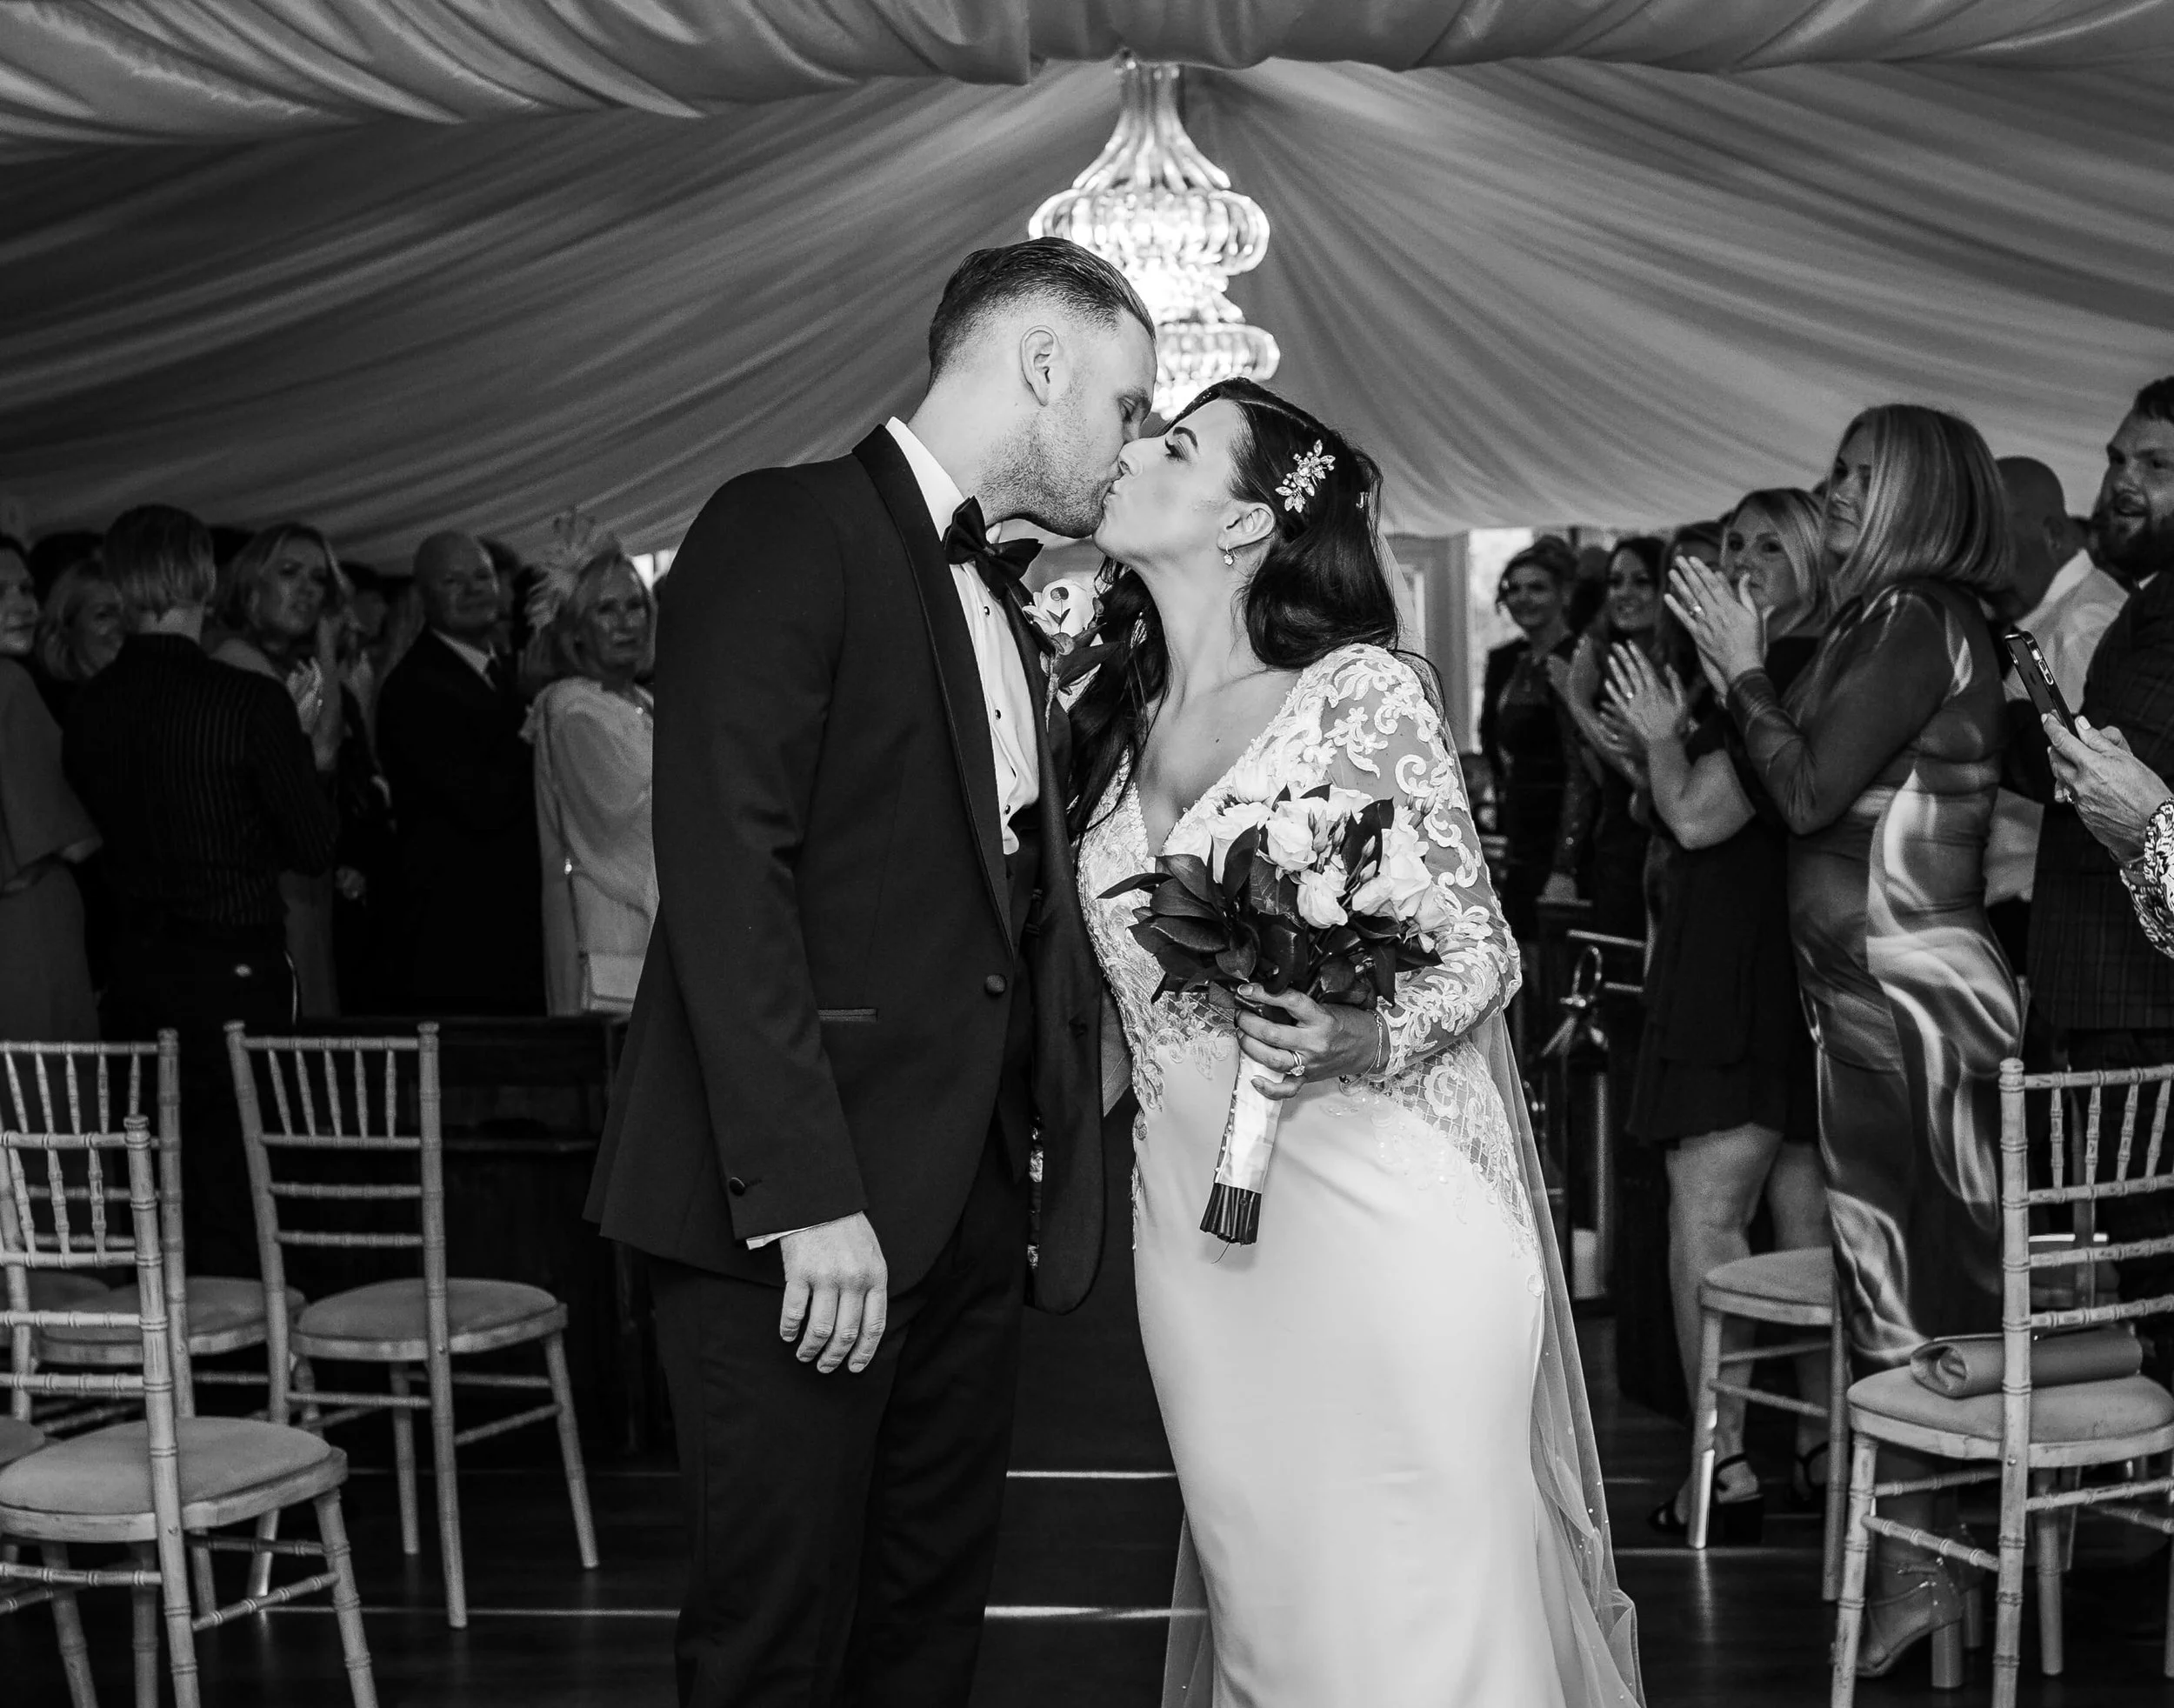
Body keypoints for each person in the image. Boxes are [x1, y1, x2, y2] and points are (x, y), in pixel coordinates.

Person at [586, 237, 1144, 1708]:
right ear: (1041, 364)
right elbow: (725, 871)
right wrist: (806, 1189)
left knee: (924, 1630)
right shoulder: (788, 526)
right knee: (776, 1642)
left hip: (963, 1200)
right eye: (1127, 401)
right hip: (800, 1204)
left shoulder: (1014, 602)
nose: (1132, 441)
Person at [1072, 379, 1641, 1707]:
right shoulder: (1104, 728)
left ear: (1247, 525)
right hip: (1201, 1253)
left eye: (1174, 445)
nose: (1132, 454)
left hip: (1383, 1223)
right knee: (1274, 1610)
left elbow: (1482, 954)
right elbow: (1113, 1005)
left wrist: (1349, 1027)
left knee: (1419, 1619)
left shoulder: (1354, 695)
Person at [1671, 404, 2019, 1677]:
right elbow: (1782, 782)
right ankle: (1929, 1566)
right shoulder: (1887, 622)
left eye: (1859, 481)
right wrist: (1742, 678)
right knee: (1897, 1285)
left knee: (1911, 1288)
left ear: (1924, 498)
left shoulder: (1920, 617)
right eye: (1836, 474)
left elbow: (1808, 790)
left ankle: (1924, 1569)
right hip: (1869, 997)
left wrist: (1748, 672)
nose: (1834, 497)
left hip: (1910, 1000)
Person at [1605, 490, 1831, 1538]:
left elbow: (1694, 816)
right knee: (1803, 1214)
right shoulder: (1778, 670)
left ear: (1816, 557)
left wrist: (1657, 736)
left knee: (1706, 1209)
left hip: (1737, 969)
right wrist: (1652, 739)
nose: (1741, 558)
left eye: (1767, 544)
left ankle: (1723, 1461)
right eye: (1731, 541)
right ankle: (1828, 1449)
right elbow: (1675, 795)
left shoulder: (1778, 673)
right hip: (1789, 964)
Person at [63, 505, 337, 1278]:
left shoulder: (87, 708)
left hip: (135, 975)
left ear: (121, 581)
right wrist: (307, 752)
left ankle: (175, 1373)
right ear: (205, 578)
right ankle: (256, 1370)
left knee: (156, 1185)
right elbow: (313, 846)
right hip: (234, 970)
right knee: (249, 1182)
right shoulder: (246, 701)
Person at [2011, 376, 2174, 1384]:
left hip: (2141, 989)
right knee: (2136, 1262)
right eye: (2118, 459)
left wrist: (1998, 727)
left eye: (2155, 467)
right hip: (2124, 967)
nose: (2119, 482)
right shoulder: (2149, 598)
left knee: (2152, 1256)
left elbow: (2132, 766)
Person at [375, 530, 544, 1016]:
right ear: (424, 597)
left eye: (483, 576)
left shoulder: (509, 671)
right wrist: (530, 713)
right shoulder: (412, 689)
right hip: (462, 938)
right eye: (454, 581)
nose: (474, 590)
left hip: (522, 929)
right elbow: (484, 803)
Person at [1982, 457, 2128, 967]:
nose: (1975, 554)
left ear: (2051, 534)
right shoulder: (2044, 622)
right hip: (2027, 914)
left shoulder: (2088, 622)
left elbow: (2082, 782)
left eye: (1990, 534)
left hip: (2051, 926)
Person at [207, 524, 352, 1017]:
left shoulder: (289, 664)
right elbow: (323, 753)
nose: (308, 589)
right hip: (266, 882)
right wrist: (329, 648)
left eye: (319, 579)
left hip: (299, 880)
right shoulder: (236, 661)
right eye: (290, 573)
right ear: (251, 584)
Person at [522, 520, 658, 1017]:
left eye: (634, 606)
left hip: (653, 925)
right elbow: (620, 826)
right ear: (577, 628)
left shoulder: (638, 699)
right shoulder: (573, 709)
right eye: (606, 610)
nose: (625, 623)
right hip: (613, 929)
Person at [0, 540, 101, 1040]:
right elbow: (75, 841)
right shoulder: (9, 684)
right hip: (26, 933)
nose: (26, 608)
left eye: (25, 589)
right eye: (1, 592)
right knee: (46, 1103)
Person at [1479, 536, 1580, 943]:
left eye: (1537, 587)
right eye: (1514, 588)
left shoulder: (1582, 657)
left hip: (1562, 831)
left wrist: (1566, 862)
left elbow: (1580, 766)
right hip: (1517, 828)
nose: (1523, 598)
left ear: (1564, 593)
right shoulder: (1505, 660)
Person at [30, 555, 123, 727]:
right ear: (66, 626)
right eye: (104, 615)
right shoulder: (49, 710)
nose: (123, 625)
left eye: (130, 613)